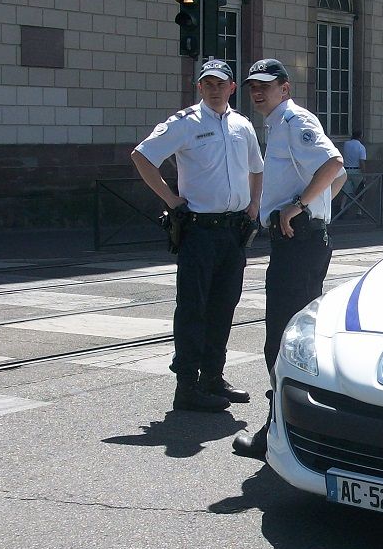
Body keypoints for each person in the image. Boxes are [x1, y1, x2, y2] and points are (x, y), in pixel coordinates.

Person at [130, 59, 263, 412]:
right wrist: (172, 201)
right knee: (192, 308)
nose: (214, 88)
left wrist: (254, 207)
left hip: (234, 231)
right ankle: (187, 385)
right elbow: (142, 156)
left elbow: (257, 168)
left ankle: (213, 378)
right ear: (199, 88)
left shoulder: (242, 125)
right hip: (199, 231)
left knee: (223, 306)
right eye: (208, 83)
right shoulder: (185, 123)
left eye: (220, 83)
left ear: (232, 87)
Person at [233, 58, 345, 458]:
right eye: (253, 87)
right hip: (302, 240)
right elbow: (336, 176)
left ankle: (277, 432)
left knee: (281, 340)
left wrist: (299, 207)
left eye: (267, 85)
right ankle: (294, 427)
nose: (258, 92)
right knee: (293, 336)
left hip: (297, 243)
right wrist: (316, 209)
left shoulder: (293, 122)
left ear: (285, 88)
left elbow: (334, 164)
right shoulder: (279, 123)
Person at [340, 129, 367, 217]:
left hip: (346, 170)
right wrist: (364, 175)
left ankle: (342, 208)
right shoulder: (361, 147)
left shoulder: (346, 144)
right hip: (357, 171)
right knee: (360, 192)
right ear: (361, 136)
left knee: (346, 192)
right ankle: (359, 211)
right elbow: (362, 162)